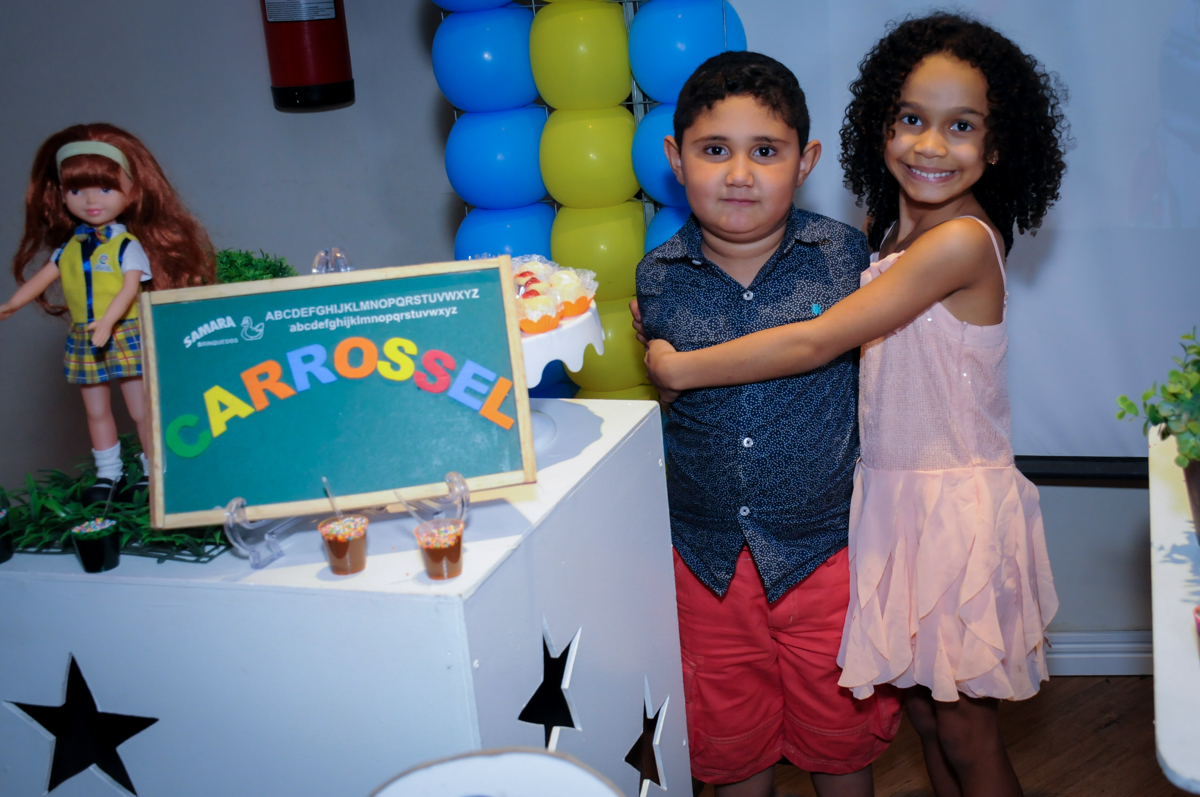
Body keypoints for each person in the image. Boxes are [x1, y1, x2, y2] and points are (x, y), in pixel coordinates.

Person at [643, 15, 1068, 797]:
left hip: (953, 510)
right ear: (882, 125)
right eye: (911, 119)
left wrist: (680, 366)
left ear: (999, 146)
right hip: (895, 504)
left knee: (968, 731)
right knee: (929, 720)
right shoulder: (890, 229)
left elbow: (812, 342)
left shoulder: (959, 243)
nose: (929, 146)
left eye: (961, 127)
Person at [635, 51, 902, 797]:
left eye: (766, 151)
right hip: (708, 561)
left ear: (805, 160)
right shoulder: (655, 276)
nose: (740, 173)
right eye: (714, 150)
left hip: (825, 554)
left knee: (840, 739)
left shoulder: (845, 257)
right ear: (675, 158)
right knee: (730, 743)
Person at [1, 123, 215, 505]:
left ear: (132, 190)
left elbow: (130, 287)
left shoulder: (125, 245)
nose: (90, 200)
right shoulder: (71, 247)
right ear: (61, 194)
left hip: (124, 331)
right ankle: (108, 474)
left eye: (105, 187)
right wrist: (12, 305)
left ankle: (155, 471)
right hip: (85, 335)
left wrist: (109, 321)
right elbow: (43, 279)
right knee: (96, 410)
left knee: (140, 407)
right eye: (76, 190)